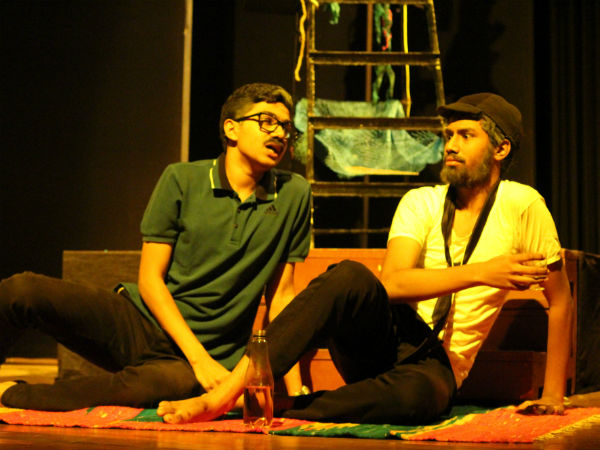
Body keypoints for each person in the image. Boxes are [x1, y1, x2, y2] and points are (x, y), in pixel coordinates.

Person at [157, 93, 572, 424]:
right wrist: (483, 272)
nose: (450, 145)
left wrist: (553, 394)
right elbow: (393, 283)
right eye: (448, 135)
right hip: (388, 336)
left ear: (500, 148)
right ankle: (228, 393)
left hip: (436, 368)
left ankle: (281, 407)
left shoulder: (522, 205)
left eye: (466, 135)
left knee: (420, 400)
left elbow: (560, 300)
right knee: (350, 276)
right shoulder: (422, 202)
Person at [0, 82, 311, 410]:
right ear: (231, 129)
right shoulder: (182, 179)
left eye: (286, 127)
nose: (279, 133)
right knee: (22, 290)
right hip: (142, 321)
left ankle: (10, 395)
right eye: (267, 122)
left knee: (156, 388)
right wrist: (199, 360)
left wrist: (294, 394)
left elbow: (282, 297)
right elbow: (150, 279)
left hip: (205, 355)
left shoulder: (293, 194)